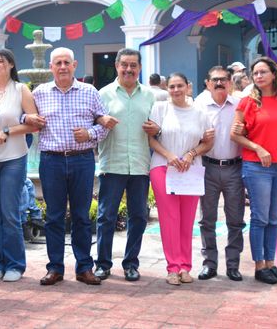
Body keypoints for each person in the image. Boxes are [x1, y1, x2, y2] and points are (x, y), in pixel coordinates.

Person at [33, 47, 111, 287]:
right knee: (54, 217)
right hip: (51, 160)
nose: (63, 66)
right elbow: (24, 118)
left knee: (81, 216)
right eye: (58, 63)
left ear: (75, 65)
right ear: (51, 67)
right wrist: (28, 119)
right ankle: (55, 268)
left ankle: (84, 267)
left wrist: (90, 133)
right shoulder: (39, 93)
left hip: (82, 159)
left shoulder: (89, 92)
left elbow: (106, 123)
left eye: (67, 62)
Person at [231, 57, 277, 284]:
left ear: (274, 74)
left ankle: (271, 263)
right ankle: (260, 266)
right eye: (256, 73)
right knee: (260, 217)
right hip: (257, 166)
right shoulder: (248, 103)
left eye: (263, 72)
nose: (259, 76)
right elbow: (235, 134)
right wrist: (257, 148)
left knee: (274, 217)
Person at [94, 49, 156, 283]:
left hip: (140, 165)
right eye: (124, 65)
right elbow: (94, 125)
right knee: (106, 217)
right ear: (117, 67)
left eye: (133, 65)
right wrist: (101, 120)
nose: (129, 70)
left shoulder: (150, 96)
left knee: (139, 216)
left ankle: (131, 263)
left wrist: (156, 129)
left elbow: (159, 127)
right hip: (113, 163)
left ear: (139, 68)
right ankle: (102, 263)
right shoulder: (103, 94)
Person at [148, 73, 213, 286]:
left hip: (190, 170)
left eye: (180, 86)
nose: (176, 90)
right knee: (169, 219)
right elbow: (150, 138)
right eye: (172, 87)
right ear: (168, 89)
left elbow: (207, 142)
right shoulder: (160, 109)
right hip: (163, 168)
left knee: (187, 220)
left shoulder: (200, 113)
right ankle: (172, 267)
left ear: (188, 87)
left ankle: (186, 266)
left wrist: (191, 154)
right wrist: (169, 156)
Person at [0, 49, 39, 282]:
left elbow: (34, 123)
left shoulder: (20, 90)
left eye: (0, 61)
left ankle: (15, 264)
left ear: (11, 65)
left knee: (10, 212)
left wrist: (7, 131)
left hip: (13, 157)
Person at [194, 66, 245, 282]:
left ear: (231, 82)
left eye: (223, 79)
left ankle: (233, 265)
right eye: (214, 80)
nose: (219, 83)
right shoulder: (198, 106)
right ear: (207, 83)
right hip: (208, 167)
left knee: (235, 219)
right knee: (207, 219)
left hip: (235, 168)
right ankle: (209, 264)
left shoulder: (240, 105)